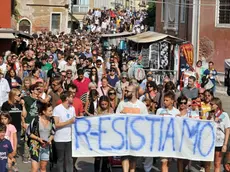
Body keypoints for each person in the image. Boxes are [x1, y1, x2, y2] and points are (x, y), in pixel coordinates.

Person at [116, 84, 148, 172]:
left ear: (134, 92)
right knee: (125, 156)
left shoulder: (141, 105)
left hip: (136, 136)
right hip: (124, 135)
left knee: (133, 157)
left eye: (128, 91)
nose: (125, 92)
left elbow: (146, 121)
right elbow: (116, 119)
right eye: (125, 91)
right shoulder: (122, 103)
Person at [156, 91, 180, 172]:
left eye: (167, 100)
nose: (164, 102)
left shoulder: (176, 112)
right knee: (164, 162)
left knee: (168, 162)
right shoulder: (159, 111)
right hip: (162, 140)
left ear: (172, 101)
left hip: (172, 141)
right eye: (164, 100)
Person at [27, 102, 55, 172]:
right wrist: (38, 139)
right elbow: (29, 133)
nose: (51, 112)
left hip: (46, 146)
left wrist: (50, 139)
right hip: (35, 147)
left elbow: (53, 133)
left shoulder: (52, 120)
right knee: (35, 169)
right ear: (43, 111)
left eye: (52, 110)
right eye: (50, 111)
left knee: (43, 168)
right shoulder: (36, 120)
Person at [53, 91, 76, 172]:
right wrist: (68, 122)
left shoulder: (72, 108)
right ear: (67, 98)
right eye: (71, 96)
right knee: (60, 159)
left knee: (69, 159)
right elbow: (56, 124)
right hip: (59, 139)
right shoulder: (57, 109)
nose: (73, 98)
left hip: (69, 138)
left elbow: (74, 121)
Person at [205, 97, 230, 172]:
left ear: (217, 105)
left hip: (219, 142)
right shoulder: (208, 113)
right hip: (209, 142)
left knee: (217, 163)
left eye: (212, 104)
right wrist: (209, 117)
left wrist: (225, 145)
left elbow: (227, 129)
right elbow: (205, 126)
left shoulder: (224, 115)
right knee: (207, 163)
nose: (210, 105)